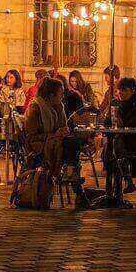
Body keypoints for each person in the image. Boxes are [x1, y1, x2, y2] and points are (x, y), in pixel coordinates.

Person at [20, 76, 90, 209]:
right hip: (39, 147)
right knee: (71, 146)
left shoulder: (59, 107)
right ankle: (76, 185)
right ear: (51, 96)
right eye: (60, 94)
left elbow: (63, 126)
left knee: (72, 143)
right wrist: (53, 135)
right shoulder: (35, 108)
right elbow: (31, 137)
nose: (62, 97)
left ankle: (73, 177)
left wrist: (63, 131)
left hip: (57, 143)